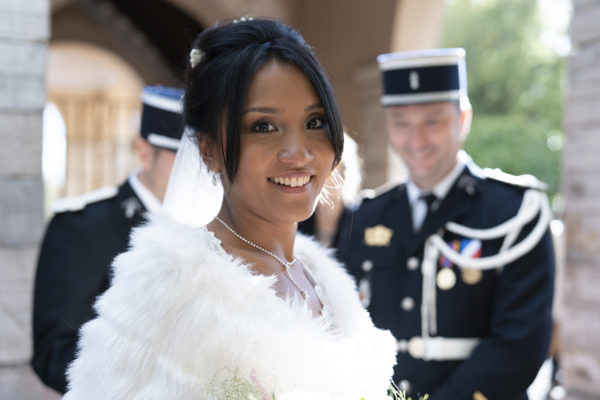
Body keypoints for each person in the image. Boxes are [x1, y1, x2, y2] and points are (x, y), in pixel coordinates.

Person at [63, 18, 396, 399]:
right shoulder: (170, 287)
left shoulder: (324, 278)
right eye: (263, 127)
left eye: (315, 122)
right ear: (208, 149)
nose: (299, 153)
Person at [335, 48, 555, 400]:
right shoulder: (365, 216)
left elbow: (519, 345)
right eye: (401, 122)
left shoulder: (515, 213)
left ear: (463, 119)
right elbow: (343, 325)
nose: (416, 140)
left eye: (433, 121)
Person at [31, 85, 185, 394]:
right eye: (181, 159)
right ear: (144, 153)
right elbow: (55, 354)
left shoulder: (209, 229)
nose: (195, 172)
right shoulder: (83, 227)